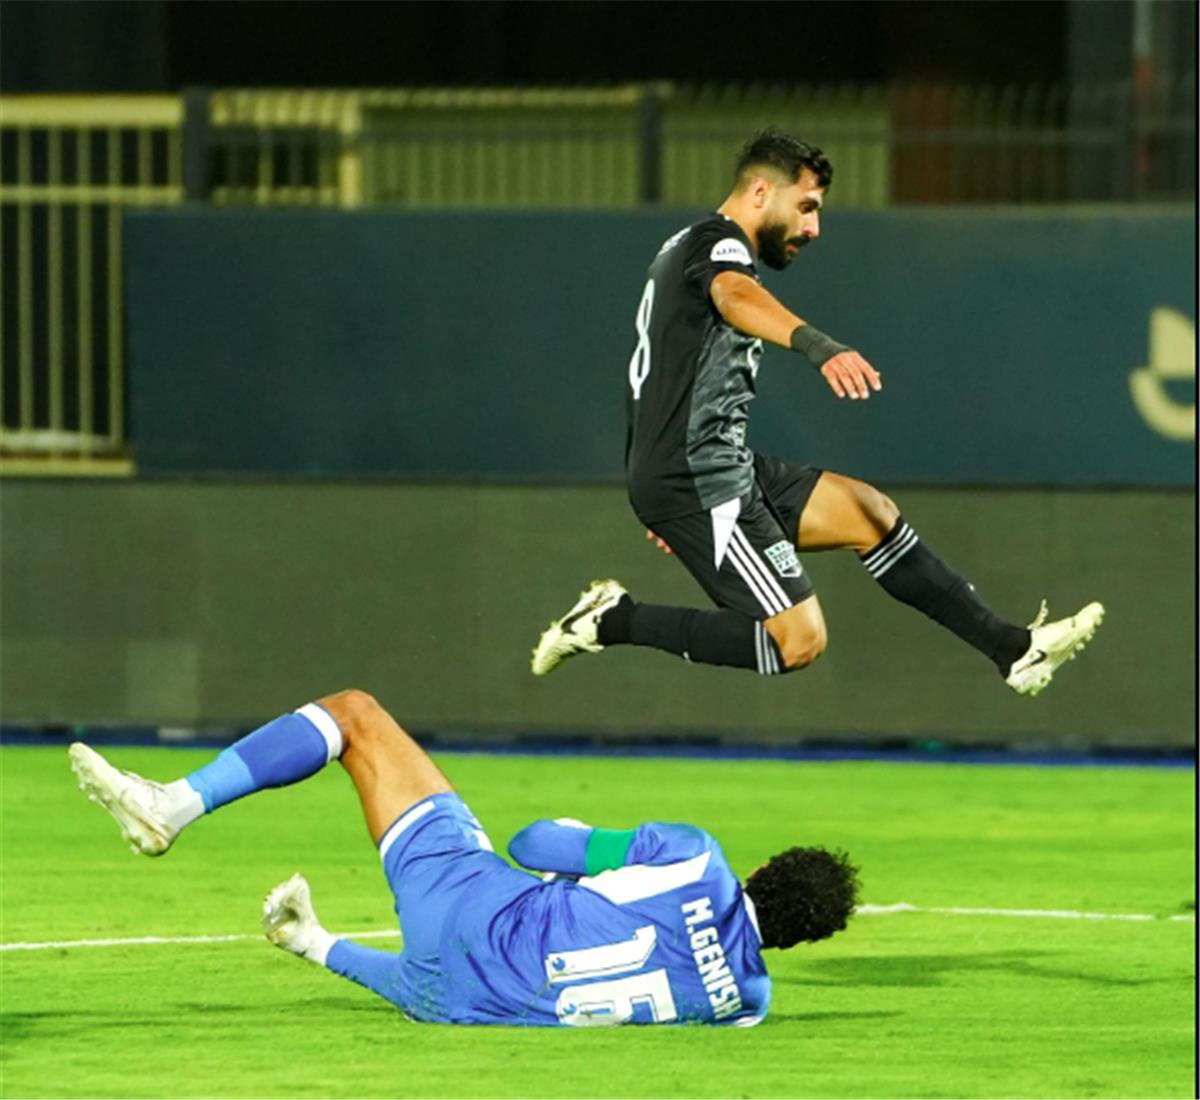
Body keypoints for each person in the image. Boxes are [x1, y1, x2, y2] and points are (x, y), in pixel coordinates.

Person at [531, 127, 1103, 694]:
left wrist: (662, 495)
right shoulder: (718, 245)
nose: (813, 227)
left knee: (868, 511)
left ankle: (1014, 650)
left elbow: (656, 378)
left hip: (709, 467)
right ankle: (612, 620)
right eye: (806, 207)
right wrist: (816, 344)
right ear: (760, 192)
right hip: (695, 474)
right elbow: (733, 295)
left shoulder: (686, 247)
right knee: (797, 641)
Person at [67, 689, 860, 1027]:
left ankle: (172, 803)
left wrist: (578, 851)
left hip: (471, 901)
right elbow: (432, 990)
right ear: (797, 942)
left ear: (761, 870)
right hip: (455, 996)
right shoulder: (749, 1004)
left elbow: (533, 844)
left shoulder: (698, 858)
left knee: (356, 718)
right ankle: (304, 938)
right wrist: (319, 942)